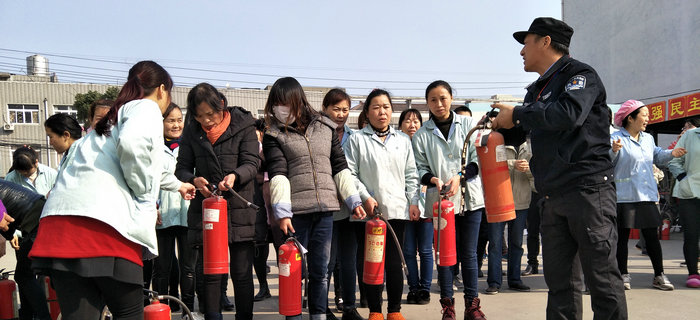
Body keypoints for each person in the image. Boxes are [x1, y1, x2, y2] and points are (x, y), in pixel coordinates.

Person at [29, 61, 195, 320]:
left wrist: (178, 184)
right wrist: (143, 196)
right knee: (129, 314)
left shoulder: (104, 126)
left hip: (58, 230)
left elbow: (144, 161)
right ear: (162, 90)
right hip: (104, 230)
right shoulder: (145, 107)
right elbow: (132, 146)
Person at [492, 17, 628, 319]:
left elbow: (568, 114)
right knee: (560, 285)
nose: (521, 51)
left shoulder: (580, 75)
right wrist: (501, 125)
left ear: (545, 42)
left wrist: (517, 113)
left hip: (589, 191)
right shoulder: (535, 91)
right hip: (552, 195)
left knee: (602, 281)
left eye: (526, 42)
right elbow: (528, 125)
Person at [262, 77, 365, 320]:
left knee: (320, 271)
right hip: (296, 213)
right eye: (276, 104)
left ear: (298, 100)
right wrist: (283, 213)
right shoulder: (273, 134)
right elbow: (278, 173)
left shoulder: (325, 127)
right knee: (295, 272)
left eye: (285, 103)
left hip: (325, 211)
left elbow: (340, 167)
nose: (280, 109)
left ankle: (318, 316)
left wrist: (353, 200)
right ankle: (294, 316)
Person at [175, 83, 259, 320]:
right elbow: (181, 168)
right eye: (200, 116)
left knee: (241, 273)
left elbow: (252, 163)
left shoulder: (244, 124)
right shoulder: (192, 131)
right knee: (210, 273)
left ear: (220, 105)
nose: (206, 121)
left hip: (239, 207)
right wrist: (193, 179)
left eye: (210, 114)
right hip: (208, 208)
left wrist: (235, 176)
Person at [412, 80, 485, 320]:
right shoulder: (422, 134)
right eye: (433, 99)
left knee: (470, 253)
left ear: (452, 98)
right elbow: (418, 168)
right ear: (427, 103)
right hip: (440, 202)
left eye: (443, 98)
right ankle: (448, 308)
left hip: (469, 199)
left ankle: (472, 307)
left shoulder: (467, 124)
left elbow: (477, 159)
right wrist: (433, 179)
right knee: (445, 256)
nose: (439, 104)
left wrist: (460, 177)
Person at [344, 89, 420, 320]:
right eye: (376, 107)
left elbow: (411, 174)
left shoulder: (403, 140)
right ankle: (375, 311)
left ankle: (394, 310)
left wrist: (414, 201)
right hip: (369, 213)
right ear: (367, 112)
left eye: (386, 106)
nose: (382, 111)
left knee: (395, 262)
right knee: (372, 262)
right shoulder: (357, 139)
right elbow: (350, 173)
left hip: (397, 209)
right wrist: (364, 196)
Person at [611, 100, 685, 291]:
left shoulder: (648, 138)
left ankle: (659, 275)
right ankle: (623, 274)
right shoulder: (616, 137)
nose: (647, 118)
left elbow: (658, 157)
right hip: (624, 195)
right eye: (644, 114)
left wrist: (672, 153)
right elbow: (606, 163)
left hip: (646, 194)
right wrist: (613, 151)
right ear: (630, 118)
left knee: (652, 236)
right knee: (623, 237)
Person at [151, 102, 198, 315]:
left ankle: (187, 308)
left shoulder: (190, 146)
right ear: (161, 122)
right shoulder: (153, 147)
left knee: (188, 269)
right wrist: (153, 206)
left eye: (179, 120)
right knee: (161, 269)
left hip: (188, 215)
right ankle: (160, 307)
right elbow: (149, 180)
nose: (176, 125)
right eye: (171, 120)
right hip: (163, 216)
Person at [484, 126, 532, 294]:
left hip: (521, 200)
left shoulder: (528, 146)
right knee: (496, 244)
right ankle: (494, 281)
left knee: (517, 243)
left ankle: (515, 279)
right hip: (499, 199)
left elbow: (536, 170)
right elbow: (491, 162)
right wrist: (513, 164)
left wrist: (529, 169)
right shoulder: (497, 141)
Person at [321, 88, 355, 319]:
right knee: (326, 262)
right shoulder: (317, 133)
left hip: (351, 208)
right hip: (326, 207)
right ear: (325, 109)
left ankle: (348, 305)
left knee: (348, 261)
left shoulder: (355, 136)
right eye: (336, 109)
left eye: (345, 110)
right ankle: (321, 306)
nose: (341, 114)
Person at [0, 177, 51, 320]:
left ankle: (43, 316)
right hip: (37, 218)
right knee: (25, 275)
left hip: (37, 221)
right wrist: (9, 236)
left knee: (24, 275)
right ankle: (28, 315)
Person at [399, 109, 433, 305]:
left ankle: (425, 289)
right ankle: (413, 288)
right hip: (404, 205)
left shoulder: (425, 144)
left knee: (426, 250)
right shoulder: (397, 145)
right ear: (401, 124)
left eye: (416, 121)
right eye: (407, 121)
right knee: (409, 250)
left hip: (425, 204)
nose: (412, 125)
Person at [668, 123, 700, 288]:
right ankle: (693, 272)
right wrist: (683, 179)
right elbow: (674, 160)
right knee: (691, 235)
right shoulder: (690, 135)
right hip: (690, 193)